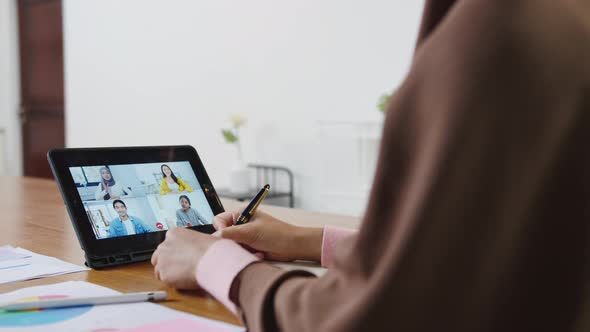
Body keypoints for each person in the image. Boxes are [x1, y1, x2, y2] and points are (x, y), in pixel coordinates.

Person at [151, 1, 590, 331]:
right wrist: (309, 241)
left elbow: (372, 318)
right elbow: (467, 252)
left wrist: (217, 263)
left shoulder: (499, 31)